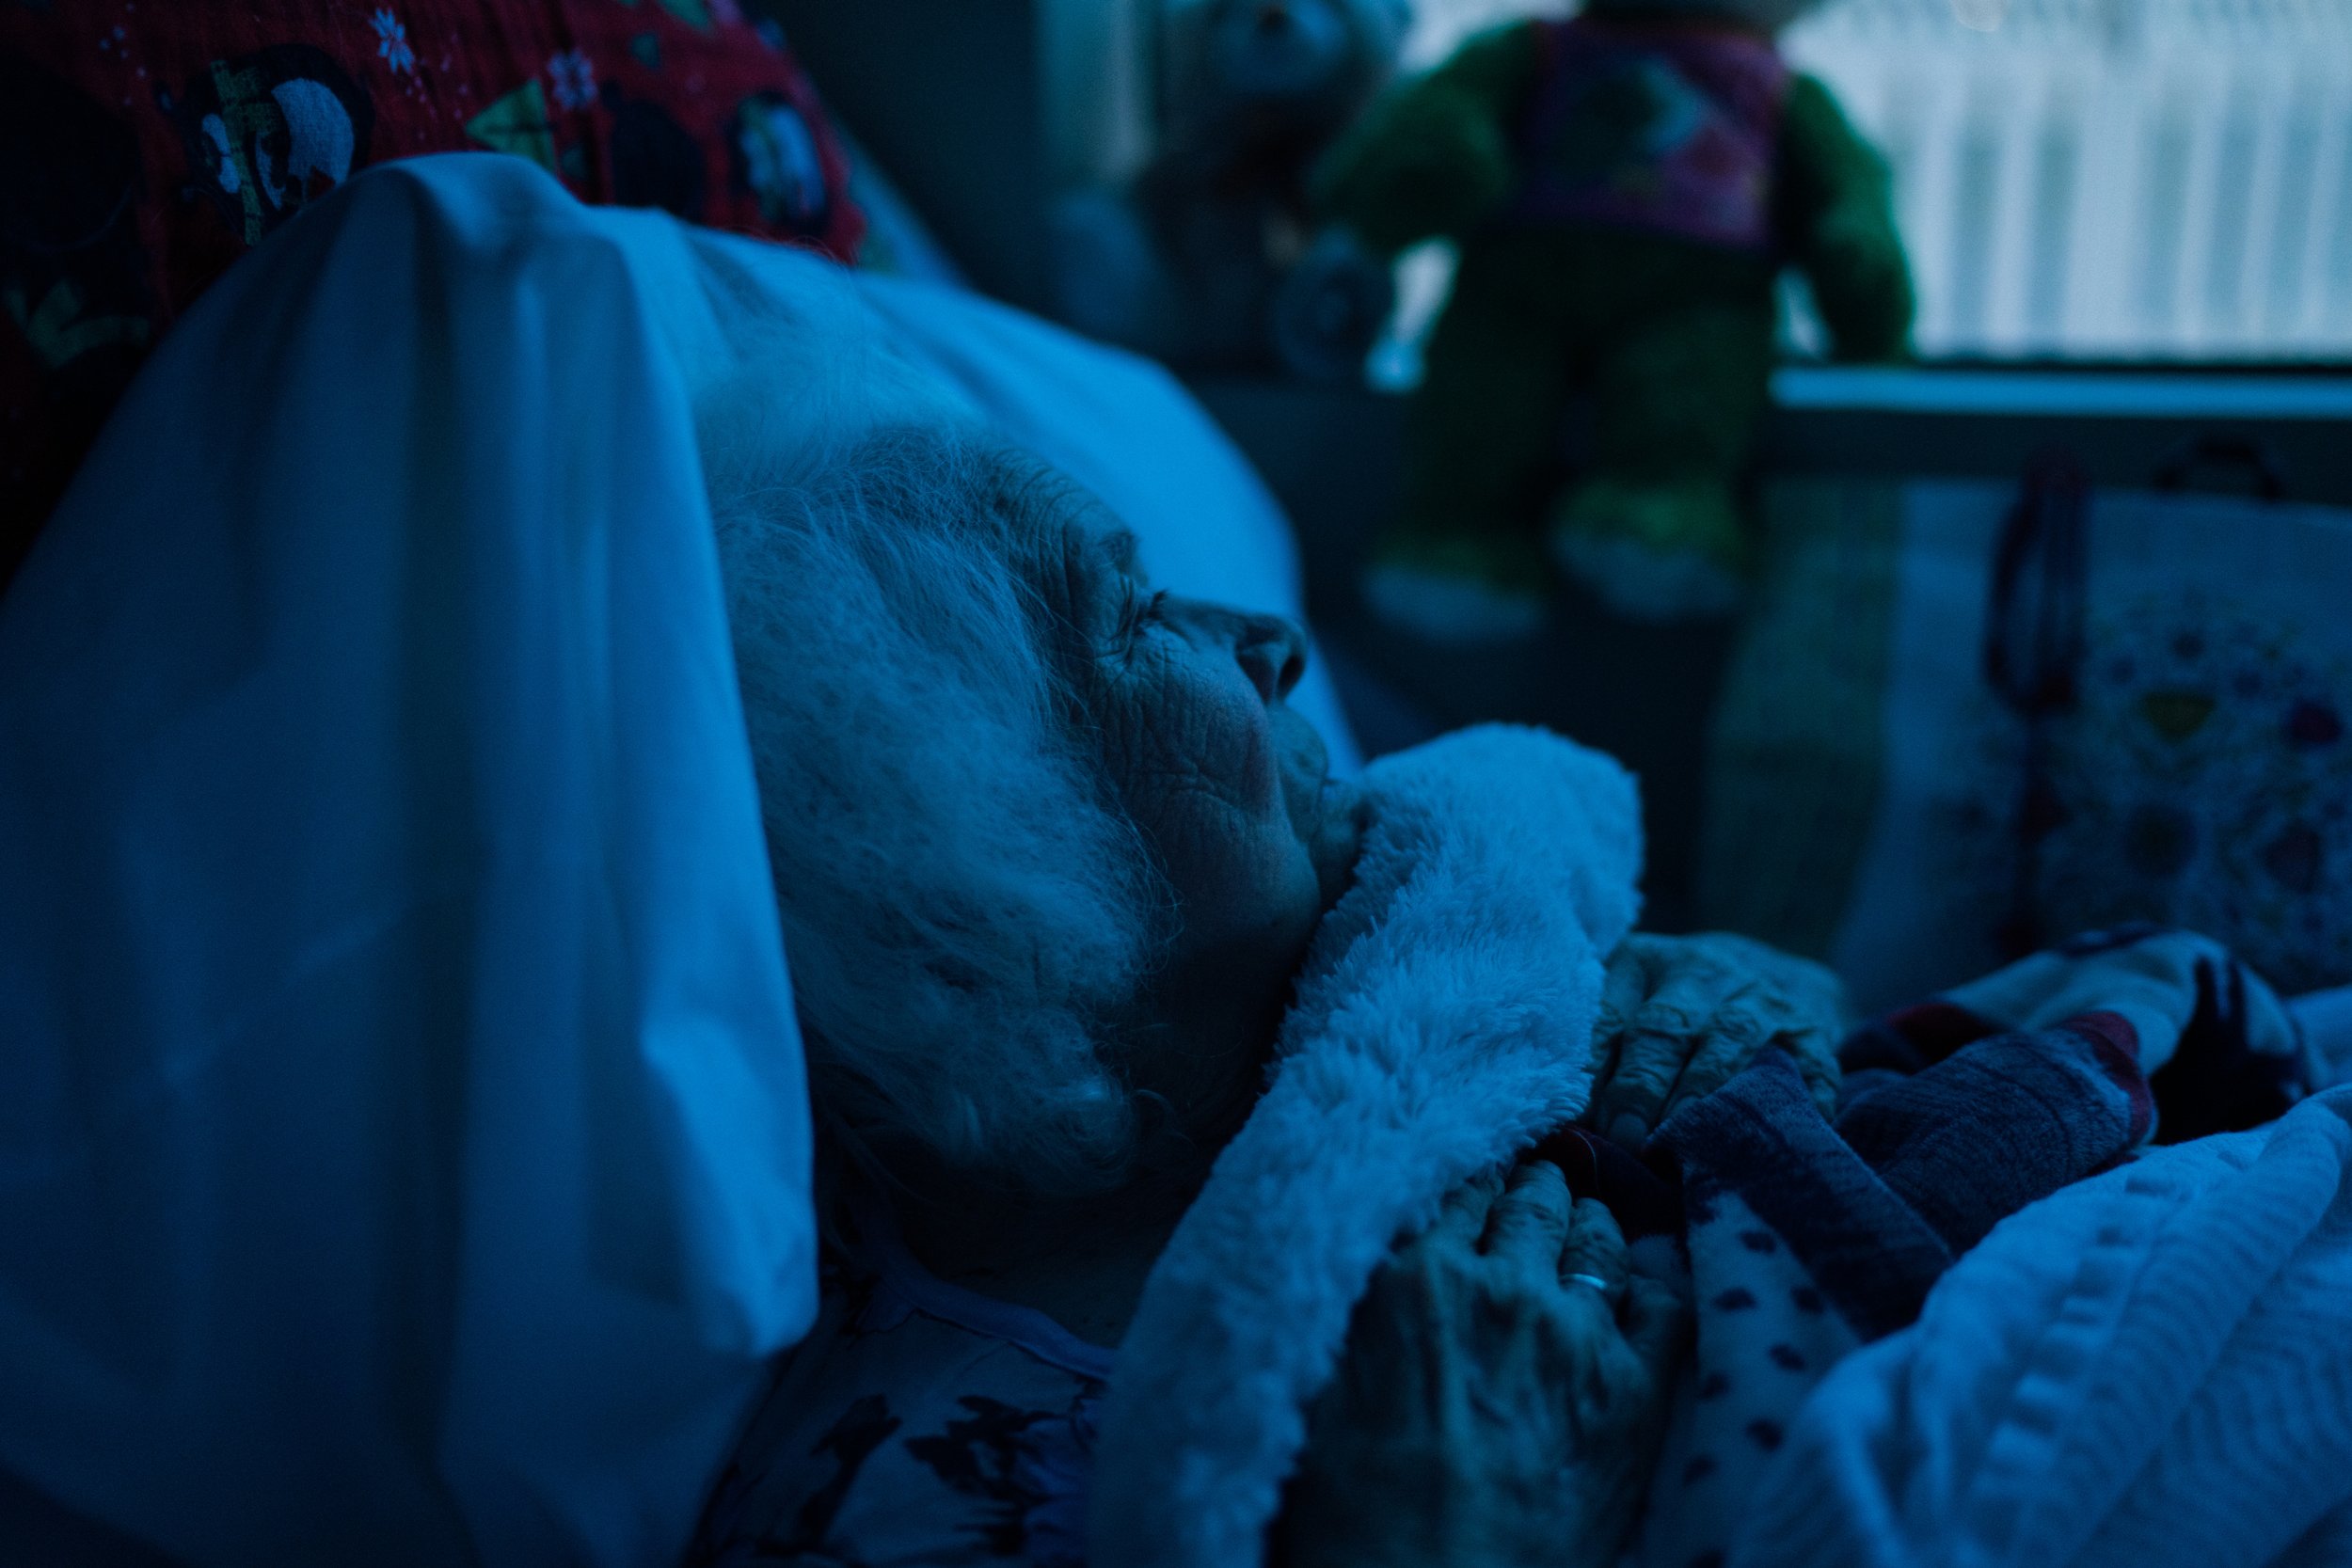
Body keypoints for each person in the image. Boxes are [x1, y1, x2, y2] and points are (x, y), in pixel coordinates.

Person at [678, 401, 2318, 1568]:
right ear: (975, 838)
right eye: (1133, 618)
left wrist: (1742, 988)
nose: (1268, 638)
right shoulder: (904, 1487)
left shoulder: (1404, 981)